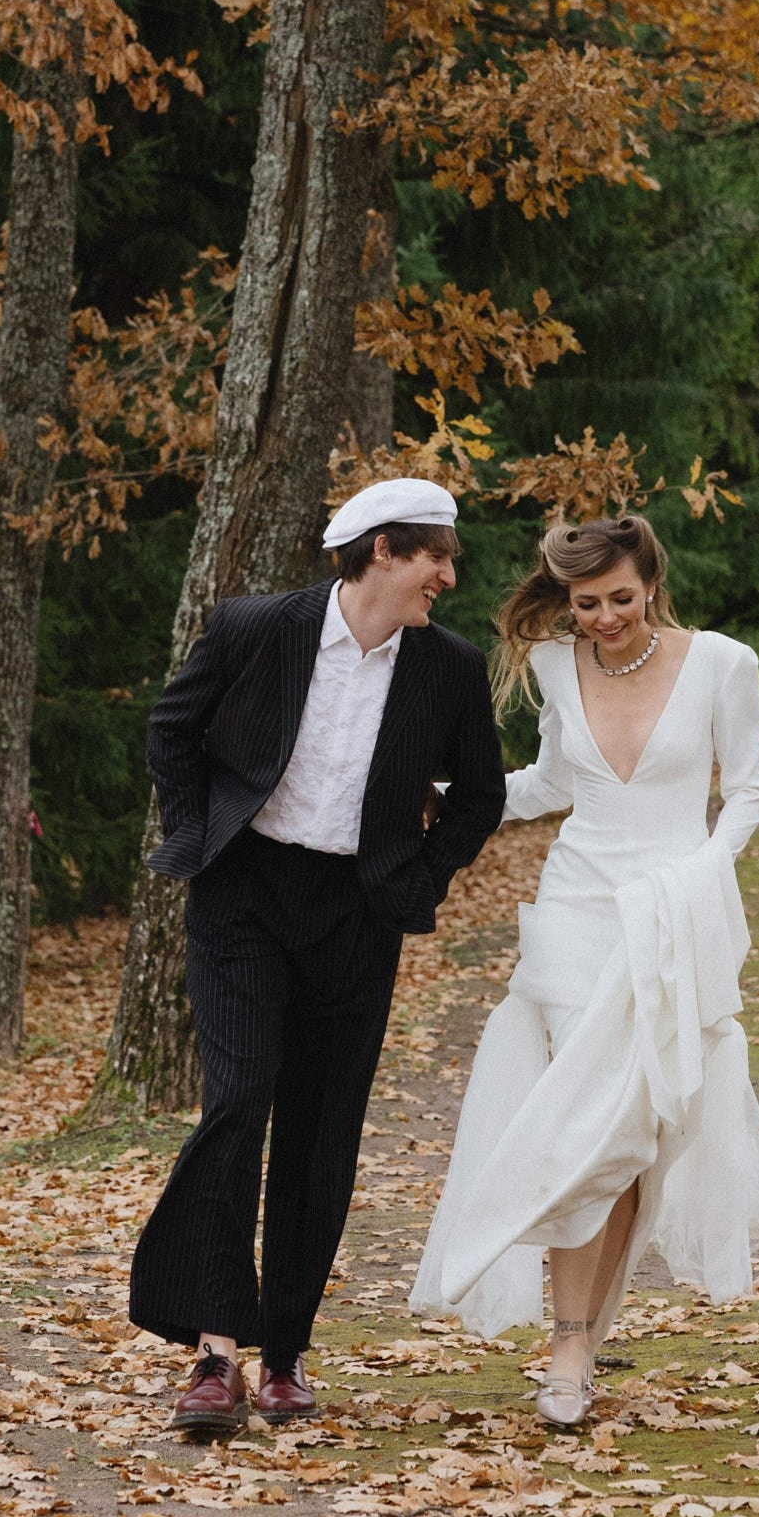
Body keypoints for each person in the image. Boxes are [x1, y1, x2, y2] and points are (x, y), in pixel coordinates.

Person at [129, 476, 506, 1436]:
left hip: (357, 913)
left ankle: (287, 1355)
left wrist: (414, 879)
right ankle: (216, 1352)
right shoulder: (257, 627)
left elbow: (479, 799)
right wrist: (200, 832)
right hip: (243, 898)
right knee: (241, 1097)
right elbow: (173, 731)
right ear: (383, 549)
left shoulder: (449, 670)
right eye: (436, 557)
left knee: (322, 1128)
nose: (448, 578)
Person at [410, 512, 759, 1426]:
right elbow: (555, 785)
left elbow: (749, 792)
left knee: (633, 1133)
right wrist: (445, 795)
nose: (604, 618)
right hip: (575, 911)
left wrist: (702, 870)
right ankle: (568, 1346)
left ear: (652, 581)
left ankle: (584, 1332)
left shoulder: (724, 663)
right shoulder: (553, 667)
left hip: (674, 912)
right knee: (586, 1127)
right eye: (585, 605)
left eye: (620, 597)